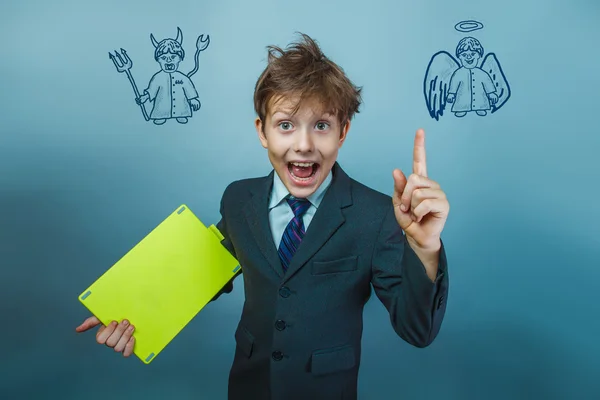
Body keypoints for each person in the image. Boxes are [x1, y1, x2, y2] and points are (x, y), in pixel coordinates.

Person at [76, 32, 451, 399]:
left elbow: (418, 330)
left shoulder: (374, 214)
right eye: (286, 125)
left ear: (343, 133)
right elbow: (201, 270)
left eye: (321, 126)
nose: (303, 144)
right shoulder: (239, 200)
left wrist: (426, 247)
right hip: (249, 386)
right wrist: (122, 307)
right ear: (263, 132)